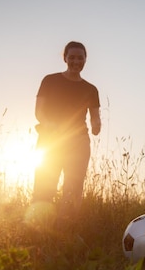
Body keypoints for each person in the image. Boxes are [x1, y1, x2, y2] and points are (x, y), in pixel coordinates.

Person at [32, 41, 101, 226]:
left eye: (80, 58)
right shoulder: (50, 80)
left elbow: (95, 117)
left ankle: (65, 229)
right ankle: (40, 227)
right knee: (44, 184)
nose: (76, 61)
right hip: (51, 140)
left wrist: (96, 126)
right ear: (65, 58)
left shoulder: (91, 89)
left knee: (73, 188)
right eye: (72, 57)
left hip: (78, 142)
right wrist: (50, 125)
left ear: (85, 59)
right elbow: (39, 112)